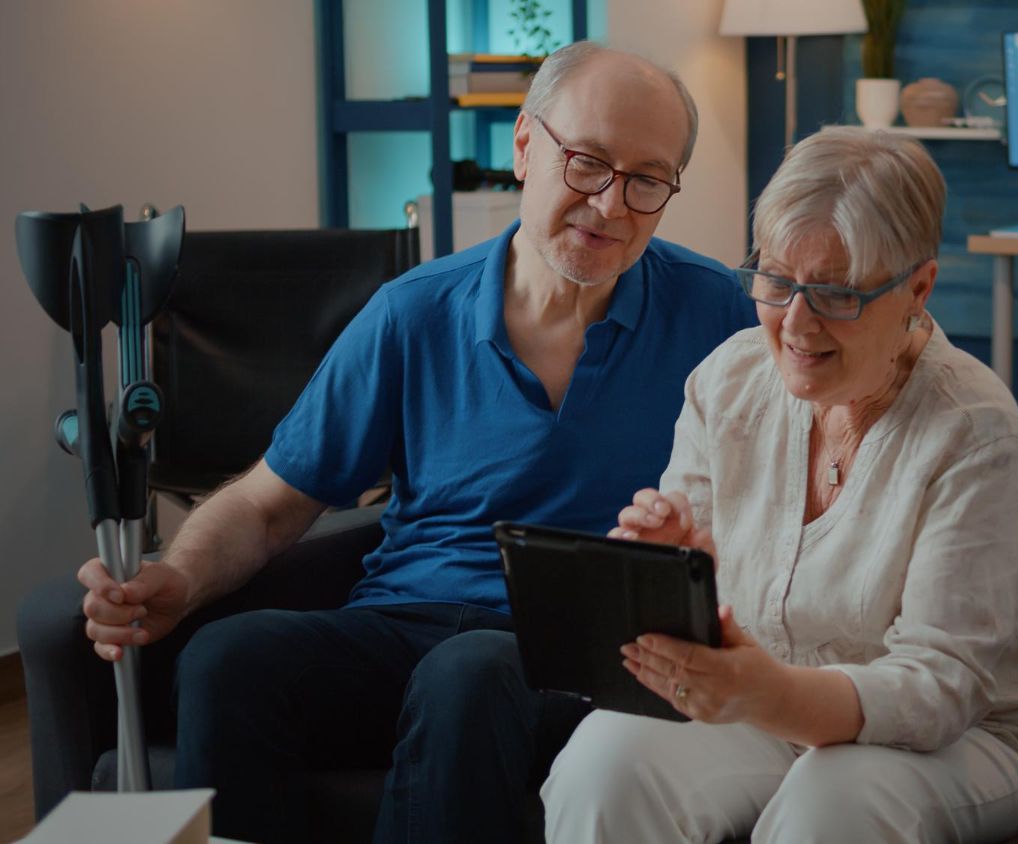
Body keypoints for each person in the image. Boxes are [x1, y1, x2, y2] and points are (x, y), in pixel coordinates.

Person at [75, 41, 755, 843]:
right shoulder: (412, 313)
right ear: (526, 146)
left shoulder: (716, 314)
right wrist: (178, 578)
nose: (610, 205)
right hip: (402, 625)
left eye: (646, 180)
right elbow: (267, 505)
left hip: (583, 658)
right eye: (587, 162)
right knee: (229, 658)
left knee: (467, 674)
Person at [541, 126, 1018, 843]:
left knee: (836, 802)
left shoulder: (972, 429)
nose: (795, 324)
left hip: (970, 736)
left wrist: (775, 694)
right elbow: (707, 626)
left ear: (917, 287)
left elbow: (941, 689)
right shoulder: (727, 381)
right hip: (766, 707)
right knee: (602, 762)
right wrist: (674, 574)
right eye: (775, 279)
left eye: (834, 293)